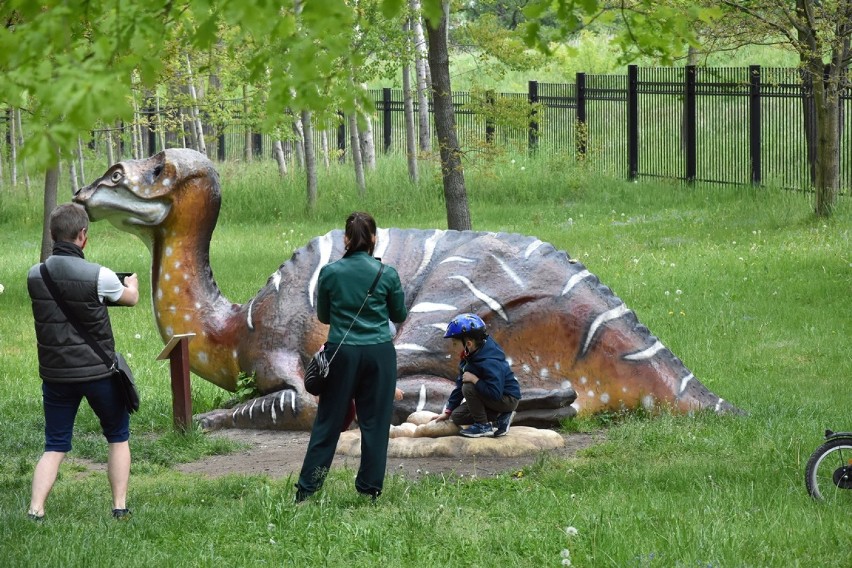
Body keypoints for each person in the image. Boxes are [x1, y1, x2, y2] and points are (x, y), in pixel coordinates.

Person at [26, 203, 140, 520]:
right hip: (98, 372)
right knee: (118, 436)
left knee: (55, 444)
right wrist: (131, 284)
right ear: (83, 236)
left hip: (56, 375)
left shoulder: (35, 275)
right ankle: (119, 507)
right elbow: (129, 300)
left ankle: (36, 510)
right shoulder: (100, 276)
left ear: (52, 235)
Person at [296, 212, 407, 502]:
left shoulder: (330, 273)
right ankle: (369, 490)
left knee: (329, 420)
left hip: (341, 354)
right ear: (373, 239)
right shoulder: (388, 274)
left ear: (345, 239)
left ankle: (308, 489)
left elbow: (323, 315)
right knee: (375, 421)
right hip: (379, 354)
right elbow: (399, 314)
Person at [431, 313, 521, 438]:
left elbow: (495, 393)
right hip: (489, 395)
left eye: (455, 343)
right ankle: (501, 417)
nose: (452, 347)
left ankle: (483, 426)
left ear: (468, 343)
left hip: (506, 398)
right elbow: (460, 383)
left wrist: (474, 380)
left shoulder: (490, 361)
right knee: (457, 416)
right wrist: (448, 410)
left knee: (468, 387)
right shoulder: (470, 354)